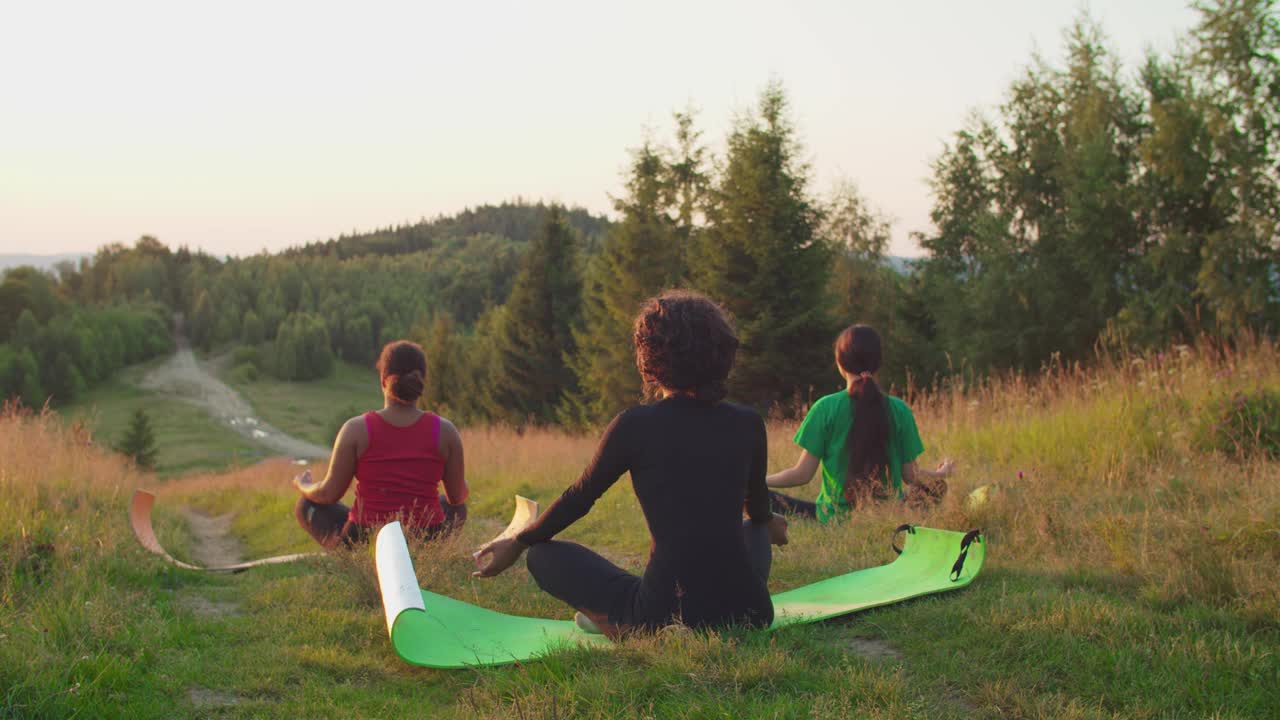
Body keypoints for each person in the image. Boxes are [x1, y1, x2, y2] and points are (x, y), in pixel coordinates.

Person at [472, 290, 788, 638]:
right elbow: (758, 506)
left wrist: (518, 542)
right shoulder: (747, 421)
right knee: (757, 527)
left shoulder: (634, 425)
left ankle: (613, 620)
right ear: (721, 353)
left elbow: (580, 497)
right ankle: (634, 614)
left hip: (661, 615)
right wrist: (767, 524)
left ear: (649, 358)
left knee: (541, 556)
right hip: (751, 611)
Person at [291, 340, 469, 548]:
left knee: (306, 505)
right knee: (456, 507)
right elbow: (457, 497)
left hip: (367, 538)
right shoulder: (445, 431)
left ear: (383, 380)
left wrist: (302, 485)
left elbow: (328, 493)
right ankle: (428, 553)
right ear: (421, 383)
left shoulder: (356, 429)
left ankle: (348, 555)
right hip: (425, 536)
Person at [767, 324, 953, 521]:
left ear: (840, 362)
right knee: (938, 487)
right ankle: (900, 513)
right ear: (878, 362)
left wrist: (759, 481)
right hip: (889, 514)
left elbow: (801, 475)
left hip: (834, 518)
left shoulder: (825, 408)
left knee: (760, 496)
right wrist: (941, 473)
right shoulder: (900, 410)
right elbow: (911, 476)